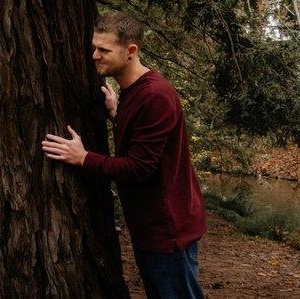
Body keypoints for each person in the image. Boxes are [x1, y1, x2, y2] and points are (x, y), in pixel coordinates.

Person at [41, 11, 206, 299]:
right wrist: (118, 114)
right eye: (94, 47)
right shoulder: (135, 92)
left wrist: (84, 158)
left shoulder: (156, 96)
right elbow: (144, 139)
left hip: (168, 233)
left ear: (130, 51)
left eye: (104, 50)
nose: (94, 55)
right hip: (152, 229)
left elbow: (140, 167)